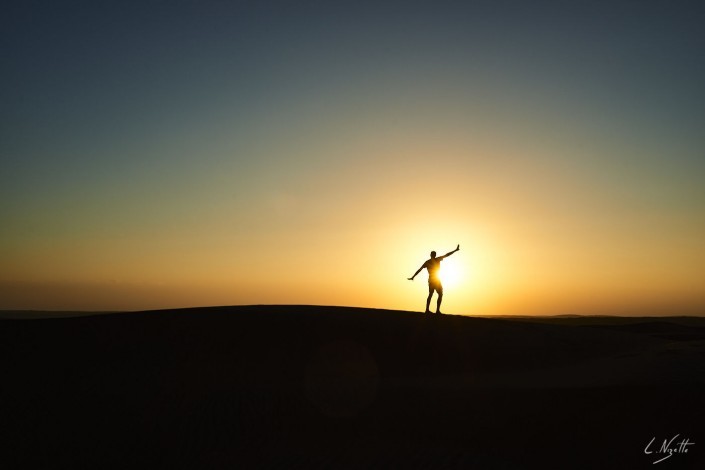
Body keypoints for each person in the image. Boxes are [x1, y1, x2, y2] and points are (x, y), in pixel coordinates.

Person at [408, 244, 459, 314]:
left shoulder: (428, 262)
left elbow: (447, 255)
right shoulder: (435, 260)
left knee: (431, 294)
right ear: (433, 255)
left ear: (431, 255)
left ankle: (429, 310)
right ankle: (434, 310)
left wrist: (413, 277)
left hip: (432, 279)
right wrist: (413, 276)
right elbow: (447, 255)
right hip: (435, 279)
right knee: (439, 294)